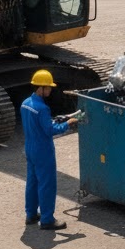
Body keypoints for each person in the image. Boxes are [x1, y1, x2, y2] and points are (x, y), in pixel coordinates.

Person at [21, 69, 78, 231]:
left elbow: (39, 124)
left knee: (32, 182)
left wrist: (52, 121)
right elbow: (50, 131)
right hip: (43, 150)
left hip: (30, 148)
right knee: (47, 184)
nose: (51, 90)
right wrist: (68, 123)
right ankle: (47, 219)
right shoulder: (42, 108)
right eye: (49, 87)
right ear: (41, 88)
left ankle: (31, 214)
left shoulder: (25, 104)